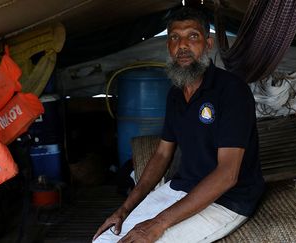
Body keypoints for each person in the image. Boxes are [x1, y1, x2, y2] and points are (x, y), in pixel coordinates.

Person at [93, 7, 264, 243]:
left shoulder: (232, 91)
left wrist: (158, 223)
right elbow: (163, 153)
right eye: (175, 37)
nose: (182, 45)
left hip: (227, 199)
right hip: (182, 188)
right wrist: (125, 208)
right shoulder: (175, 93)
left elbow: (227, 175)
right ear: (168, 47)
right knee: (105, 240)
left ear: (208, 43)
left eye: (192, 36)